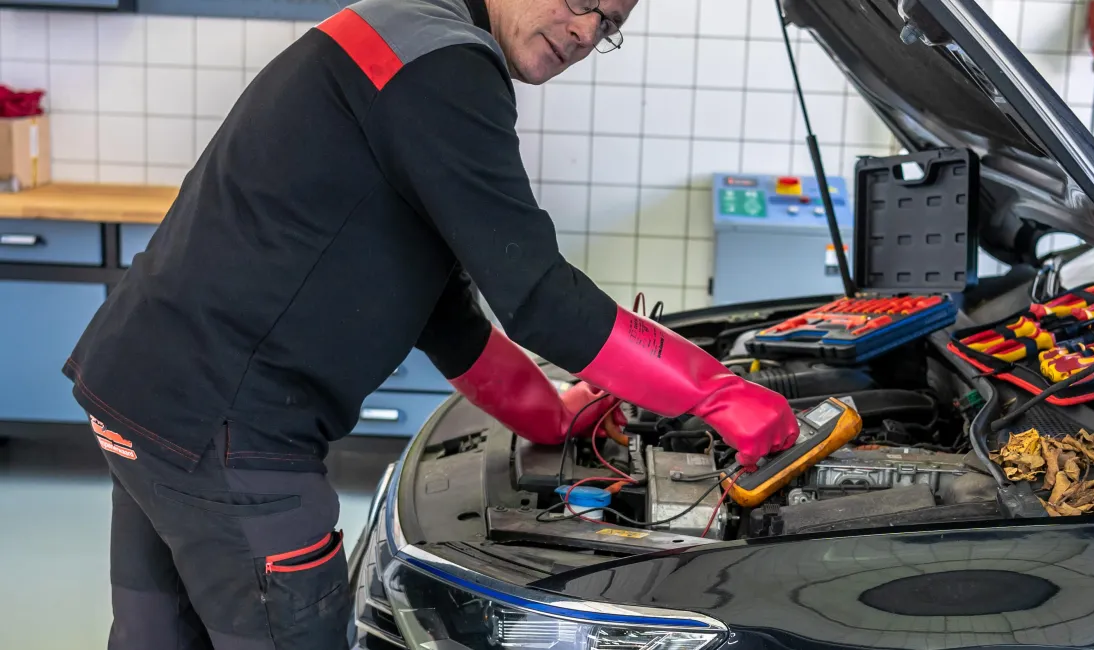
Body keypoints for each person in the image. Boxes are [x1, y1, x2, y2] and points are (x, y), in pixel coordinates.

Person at [63, 0, 801, 647]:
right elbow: (538, 296)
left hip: (143, 399)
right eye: (583, 0)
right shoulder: (446, 65)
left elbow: (443, 314)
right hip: (232, 434)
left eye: (609, 25)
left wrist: (548, 413)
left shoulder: (411, 37)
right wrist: (713, 394)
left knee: (155, 638)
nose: (585, 31)